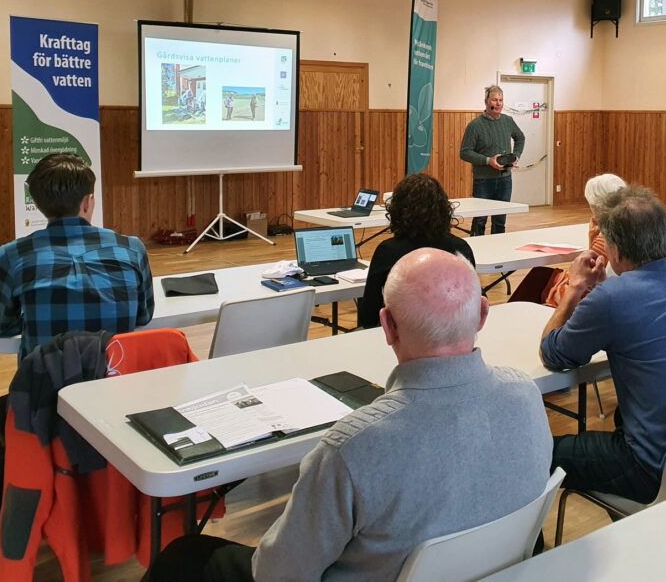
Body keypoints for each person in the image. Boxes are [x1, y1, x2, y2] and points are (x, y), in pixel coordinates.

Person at [145, 249, 552, 582]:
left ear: (387, 326)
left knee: (186, 556)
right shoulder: (526, 397)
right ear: (483, 314)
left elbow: (277, 575)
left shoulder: (353, 447)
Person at [539, 185, 666, 504]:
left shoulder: (613, 299)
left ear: (614, 251)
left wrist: (576, 287)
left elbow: (554, 352)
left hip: (653, 468)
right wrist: (606, 293)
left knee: (536, 455)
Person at [0, 153, 154, 360]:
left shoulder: (11, 256)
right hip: (116, 384)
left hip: (45, 388)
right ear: (87, 203)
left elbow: (1, 327)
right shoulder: (132, 248)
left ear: (37, 205)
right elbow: (144, 315)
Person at [357, 173, 475, 328]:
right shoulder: (460, 248)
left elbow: (369, 314)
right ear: (444, 209)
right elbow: (473, 302)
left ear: (397, 210)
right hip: (453, 332)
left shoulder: (388, 251)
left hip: (404, 337)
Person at [510, 173, 626, 306]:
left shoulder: (605, 241)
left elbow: (583, 277)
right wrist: (592, 238)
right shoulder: (631, 230)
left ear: (596, 207)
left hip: (586, 299)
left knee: (537, 278)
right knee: (539, 273)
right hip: (608, 292)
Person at [460, 85, 525, 236]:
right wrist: (488, 160)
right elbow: (464, 152)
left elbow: (520, 138)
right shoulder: (475, 126)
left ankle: (498, 252)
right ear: (486, 101)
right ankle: (476, 254)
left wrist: (516, 156)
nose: (498, 103)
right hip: (483, 181)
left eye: (501, 100)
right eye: (494, 100)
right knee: (480, 220)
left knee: (500, 221)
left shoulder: (508, 121)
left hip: (505, 180)